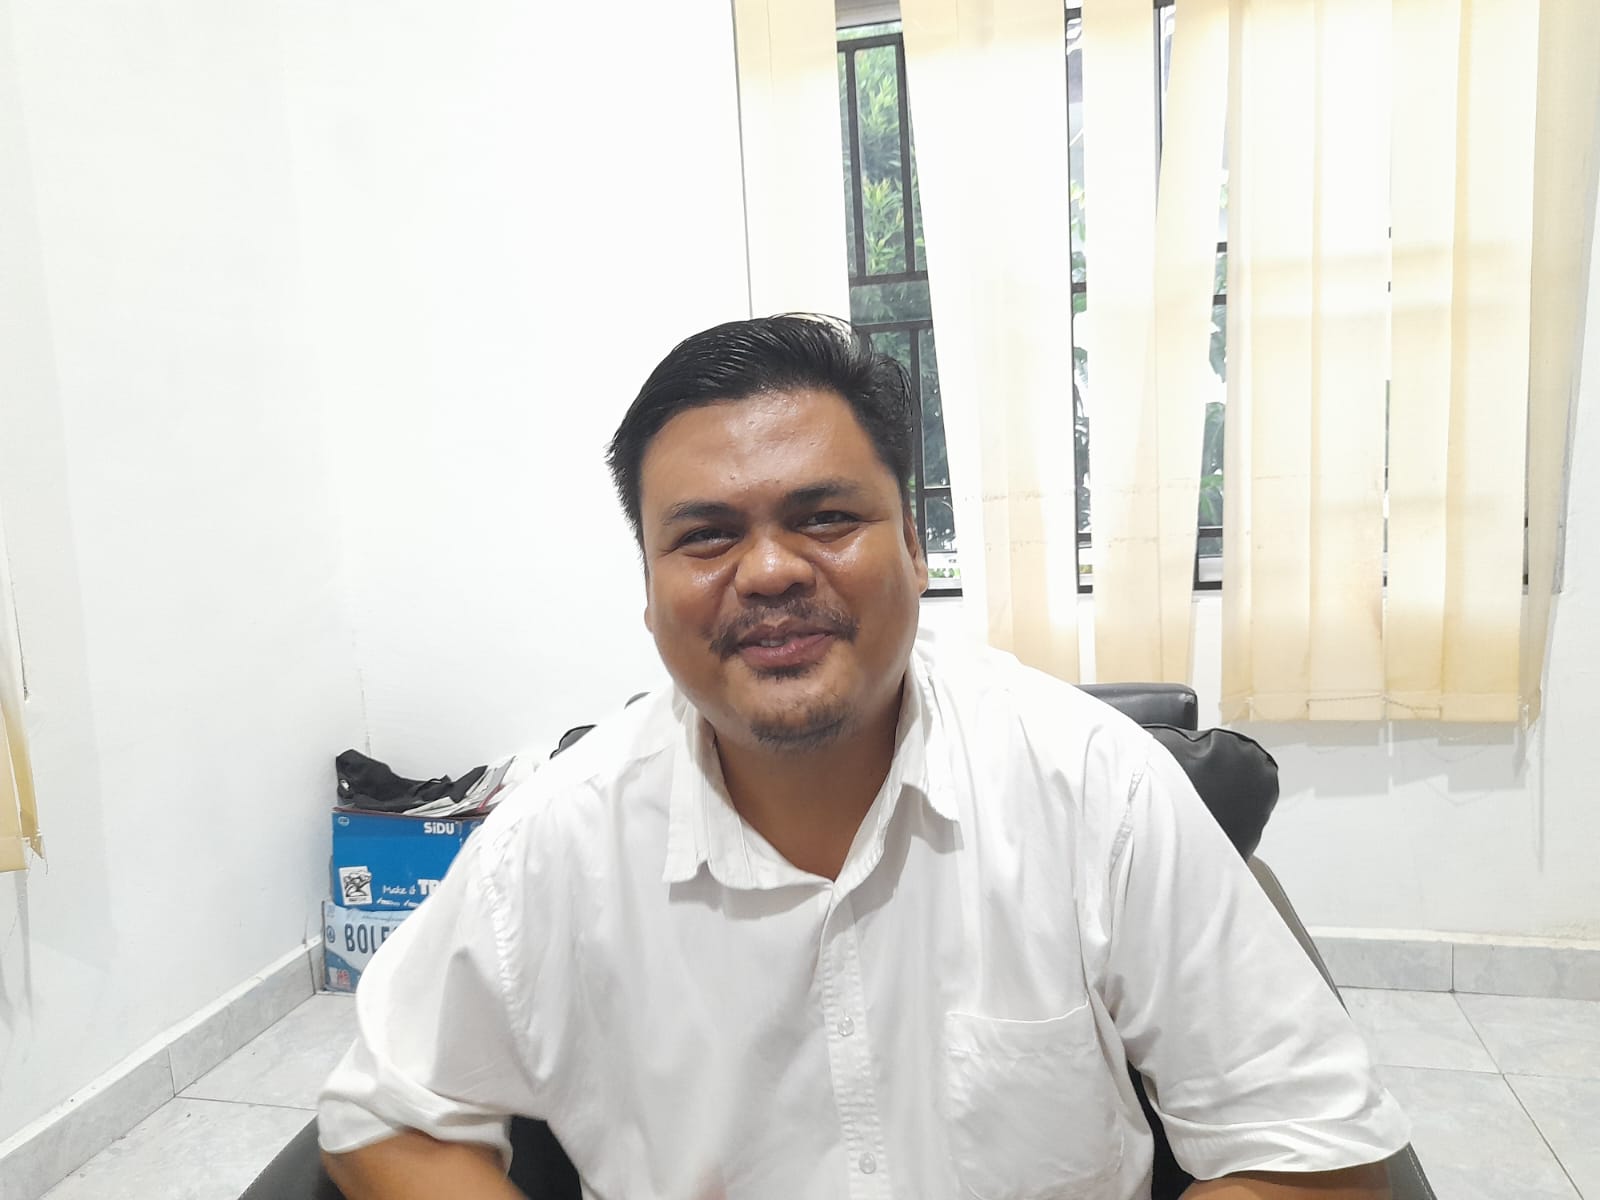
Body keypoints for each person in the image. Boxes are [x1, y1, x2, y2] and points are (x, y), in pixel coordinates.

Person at [318, 315, 1409, 1199]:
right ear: (649, 594)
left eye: (826, 517)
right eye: (705, 537)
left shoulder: (1094, 787)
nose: (769, 572)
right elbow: (383, 1116)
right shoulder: (554, 840)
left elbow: (1311, 1147)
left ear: (916, 551)